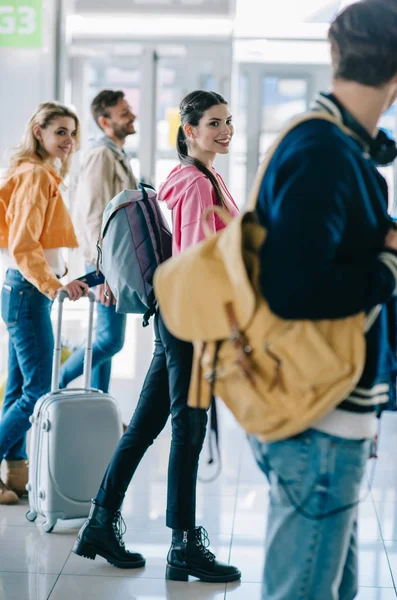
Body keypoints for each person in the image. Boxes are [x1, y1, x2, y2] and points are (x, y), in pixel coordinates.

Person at [248, 1, 397, 598]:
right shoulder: (324, 152)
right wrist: (390, 263)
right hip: (319, 414)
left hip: (331, 408)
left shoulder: (337, 145)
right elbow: (295, 288)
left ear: (336, 56)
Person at [72, 91, 241, 584]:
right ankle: (184, 546)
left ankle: (100, 524)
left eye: (228, 122)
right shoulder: (193, 182)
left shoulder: (205, 175)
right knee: (188, 427)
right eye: (214, 123)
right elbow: (192, 260)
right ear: (189, 130)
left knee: (147, 424)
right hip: (190, 315)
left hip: (180, 315)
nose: (225, 131)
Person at [0, 102, 89, 505]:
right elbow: (23, 243)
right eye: (61, 132)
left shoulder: (37, 173)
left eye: (72, 133)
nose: (69, 141)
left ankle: (15, 475)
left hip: (21, 290)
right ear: (39, 131)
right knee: (36, 390)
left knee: (18, 386)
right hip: (28, 291)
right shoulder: (36, 175)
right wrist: (54, 285)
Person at [59, 90, 137, 393]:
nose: (132, 116)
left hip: (116, 262)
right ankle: (53, 386)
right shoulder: (101, 155)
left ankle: (98, 406)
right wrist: (103, 271)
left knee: (105, 342)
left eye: (129, 109)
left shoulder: (116, 153)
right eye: (123, 112)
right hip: (107, 264)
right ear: (104, 121)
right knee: (110, 341)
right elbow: (92, 217)